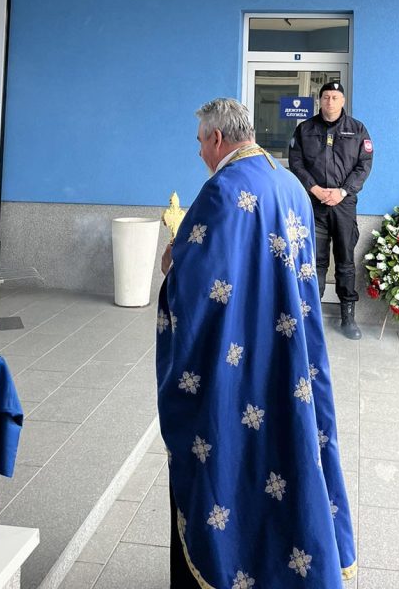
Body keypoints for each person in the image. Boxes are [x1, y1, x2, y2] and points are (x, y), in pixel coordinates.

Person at [157, 98, 356, 589]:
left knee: (231, 457)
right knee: (289, 451)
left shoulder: (222, 189)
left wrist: (173, 261)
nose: (200, 151)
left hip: (238, 366)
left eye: (201, 141)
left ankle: (230, 563)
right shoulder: (288, 182)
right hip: (289, 357)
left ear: (218, 138)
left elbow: (197, 284)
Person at [288, 81, 373, 340]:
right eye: (326, 97)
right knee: (315, 261)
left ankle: (348, 317)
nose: (330, 102)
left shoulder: (357, 129)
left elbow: (364, 166)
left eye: (335, 97)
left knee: (345, 261)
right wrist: (314, 188)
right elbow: (296, 162)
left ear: (343, 101)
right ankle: (310, 316)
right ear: (320, 100)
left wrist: (343, 191)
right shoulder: (305, 129)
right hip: (314, 204)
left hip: (343, 204)